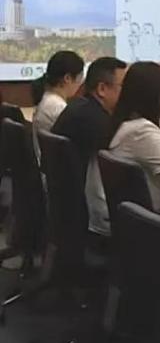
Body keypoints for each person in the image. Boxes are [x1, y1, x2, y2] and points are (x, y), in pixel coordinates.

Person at [52, 57, 127, 235]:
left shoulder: (78, 106)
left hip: (65, 207)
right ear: (102, 89)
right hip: (87, 213)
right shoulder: (95, 121)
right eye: (124, 86)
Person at [105, 62, 160, 227]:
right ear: (154, 95)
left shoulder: (127, 124)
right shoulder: (143, 132)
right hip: (157, 220)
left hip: (133, 219)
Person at [31, 50, 85, 161]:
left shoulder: (47, 99)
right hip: (54, 167)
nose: (80, 84)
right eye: (80, 78)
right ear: (67, 78)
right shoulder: (57, 107)